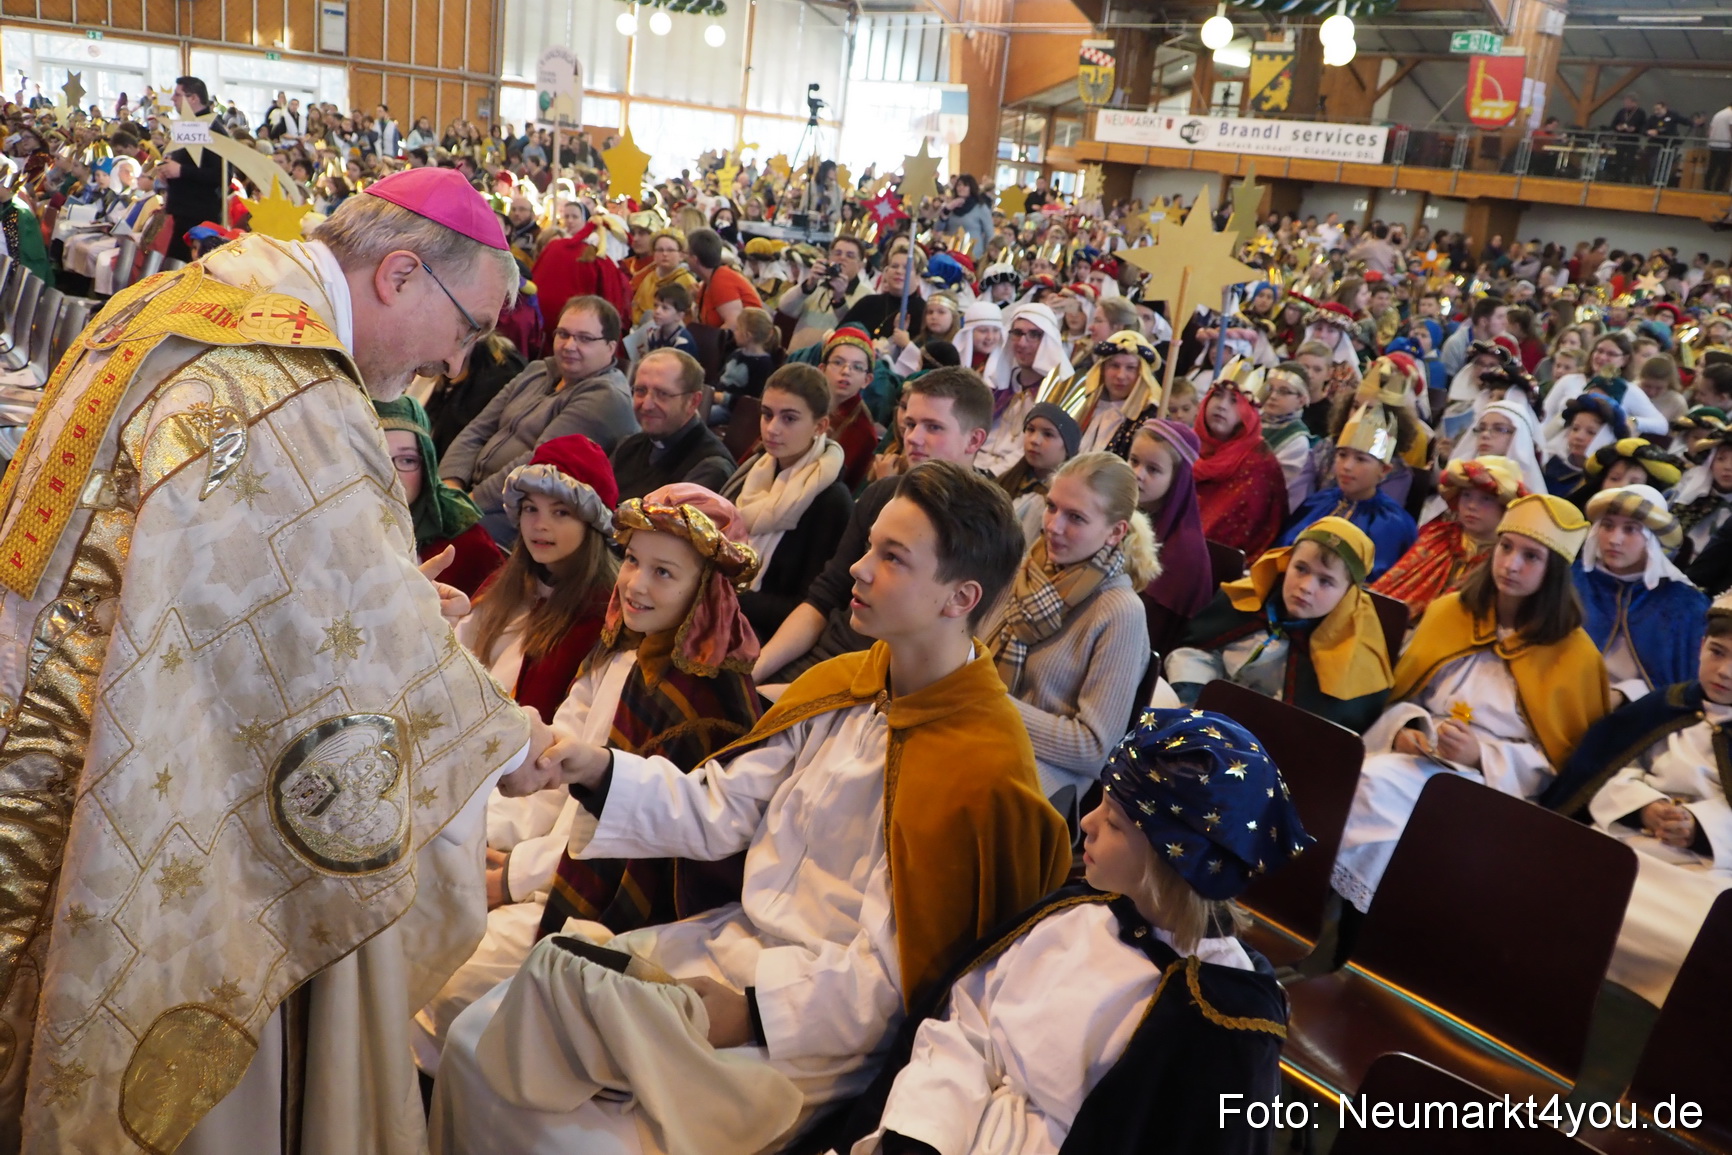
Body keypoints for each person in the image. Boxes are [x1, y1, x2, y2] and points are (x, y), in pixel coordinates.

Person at [0, 166, 562, 1150]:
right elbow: (340, 610)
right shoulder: (288, 383)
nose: (459, 362)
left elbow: (227, 567)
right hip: (114, 767)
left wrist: (358, 585)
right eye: (467, 328)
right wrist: (506, 740)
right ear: (397, 276)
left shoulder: (185, 297)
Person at [429, 462, 1072, 1154]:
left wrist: (756, 1010)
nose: (855, 567)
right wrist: (595, 768)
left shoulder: (981, 764)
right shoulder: (843, 683)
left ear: (959, 596)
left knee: (578, 1139)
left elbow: (892, 979)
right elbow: (720, 809)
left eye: (891, 557)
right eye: (870, 545)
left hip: (813, 1027)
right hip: (722, 944)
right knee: (478, 1040)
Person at [825, 709, 1309, 1155]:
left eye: (1116, 824)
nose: (1088, 824)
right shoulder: (1076, 911)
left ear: (1172, 857)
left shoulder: (1222, 1026)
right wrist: (923, 1138)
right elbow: (969, 1023)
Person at [412, 436, 624, 1074]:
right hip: (471, 772)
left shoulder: (599, 617)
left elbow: (563, 755)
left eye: (560, 513)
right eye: (530, 509)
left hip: (520, 798)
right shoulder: (511, 586)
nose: (540, 525)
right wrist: (439, 618)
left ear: (592, 524)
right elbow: (461, 670)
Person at [1331, 494, 1609, 913]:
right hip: (1418, 761)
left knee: (1387, 800)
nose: (1511, 564)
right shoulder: (1448, 614)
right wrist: (1408, 730)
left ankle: (1357, 925)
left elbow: (1564, 767)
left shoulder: (1575, 656)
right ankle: (1335, 915)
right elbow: (1407, 696)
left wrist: (1482, 754)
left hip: (1499, 789)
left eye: (1531, 556)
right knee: (1359, 785)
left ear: (1555, 571)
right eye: (1506, 547)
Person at [535, 484, 766, 937]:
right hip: (547, 853)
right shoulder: (627, 647)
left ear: (705, 593)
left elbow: (654, 847)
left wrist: (516, 875)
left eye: (664, 572)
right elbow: (567, 736)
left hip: (628, 921)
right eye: (633, 560)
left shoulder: (708, 703)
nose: (635, 584)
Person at [752, 368, 993, 684]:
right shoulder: (883, 493)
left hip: (876, 686)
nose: (913, 438)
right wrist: (755, 674)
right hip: (819, 662)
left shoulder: (984, 526)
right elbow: (823, 599)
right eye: (910, 424)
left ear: (974, 440)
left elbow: (948, 646)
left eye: (933, 427)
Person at [985, 452, 1157, 809]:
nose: (1053, 526)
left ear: (1115, 532)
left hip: (1042, 779)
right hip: (983, 734)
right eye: (1052, 507)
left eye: (1075, 517)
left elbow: (1094, 748)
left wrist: (987, 702)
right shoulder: (1028, 569)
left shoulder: (1120, 612)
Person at [1169, 517, 1395, 734]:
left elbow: (1318, 730)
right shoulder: (1246, 600)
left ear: (1348, 593)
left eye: (1325, 581)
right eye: (1301, 569)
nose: (1306, 587)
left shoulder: (1352, 655)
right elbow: (1195, 650)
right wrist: (1193, 696)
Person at [441, 295, 636, 543]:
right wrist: (450, 486)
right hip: (472, 495)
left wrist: (467, 505)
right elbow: (477, 428)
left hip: (520, 514)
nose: (569, 345)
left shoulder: (605, 397)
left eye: (584, 338)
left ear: (610, 347)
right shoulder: (539, 370)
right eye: (563, 334)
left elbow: (535, 462)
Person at [720, 364, 854, 640]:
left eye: (789, 419)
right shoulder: (755, 468)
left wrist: (724, 594)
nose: (772, 429)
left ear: (820, 426)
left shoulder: (831, 501)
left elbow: (811, 606)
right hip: (726, 611)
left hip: (768, 637)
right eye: (766, 415)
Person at [1575, 485, 1708, 706]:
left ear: (1651, 539)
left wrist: (1626, 694)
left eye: (1630, 529)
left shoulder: (1684, 604)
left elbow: (1682, 687)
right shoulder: (1574, 581)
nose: (1614, 539)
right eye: (1607, 526)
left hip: (1641, 711)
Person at [1279, 388, 1419, 581]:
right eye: (1342, 455)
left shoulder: (1393, 524)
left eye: (1361, 459)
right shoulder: (1316, 503)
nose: (1346, 466)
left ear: (1384, 471)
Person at [376, 396, 506, 596]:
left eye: (407, 460)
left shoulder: (470, 545)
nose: (391, 475)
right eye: (378, 457)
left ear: (427, 466)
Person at [1375, 456, 1524, 620]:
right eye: (1466, 495)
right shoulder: (1437, 537)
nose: (1471, 506)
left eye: (1486, 499)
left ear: (1505, 507)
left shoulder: (1507, 560)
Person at [1128, 418, 1214, 654]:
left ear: (1177, 480)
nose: (1137, 474)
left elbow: (1150, 632)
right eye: (1134, 461)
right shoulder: (1120, 514)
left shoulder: (1184, 554)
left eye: (1153, 469)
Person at [610, 348, 736, 500]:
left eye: (662, 394)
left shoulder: (710, 468)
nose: (647, 405)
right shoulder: (628, 446)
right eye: (640, 390)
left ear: (693, 402)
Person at [1192, 379, 1289, 559]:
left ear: (1248, 412)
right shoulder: (1188, 446)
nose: (1221, 406)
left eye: (1234, 401)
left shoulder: (1260, 464)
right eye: (1217, 396)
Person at [978, 303, 1075, 476]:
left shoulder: (1056, 394)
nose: (1022, 343)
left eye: (1034, 335)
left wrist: (990, 473)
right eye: (1017, 333)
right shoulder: (999, 386)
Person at [159, 76, 230, 261]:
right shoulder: (189, 125)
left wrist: (181, 171)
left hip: (199, 215)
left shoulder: (213, 130)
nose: (173, 99)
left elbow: (222, 175)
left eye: (178, 94)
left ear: (193, 98)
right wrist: (169, 172)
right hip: (182, 212)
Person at [997, 402, 1081, 545]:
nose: (1034, 440)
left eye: (1048, 434)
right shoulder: (1007, 482)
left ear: (1068, 448)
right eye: (1030, 430)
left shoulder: (1069, 501)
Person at [1071, 330, 1162, 456]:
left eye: (1130, 368)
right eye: (1114, 366)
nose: (1120, 376)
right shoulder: (1084, 404)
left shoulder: (1150, 418)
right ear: (1102, 369)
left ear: (1142, 374)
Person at [817, 325, 882, 491]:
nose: (846, 371)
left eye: (857, 367)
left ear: (867, 379)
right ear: (822, 369)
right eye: (838, 362)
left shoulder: (863, 432)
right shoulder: (802, 403)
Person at [1544, 394, 1629, 505]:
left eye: (1591, 432)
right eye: (1575, 428)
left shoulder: (1608, 479)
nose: (1578, 436)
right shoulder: (1549, 465)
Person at [1256, 362, 1318, 512]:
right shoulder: (1252, 420)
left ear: (1301, 400)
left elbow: (1277, 490)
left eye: (1284, 391)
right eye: (1269, 388)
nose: (1273, 396)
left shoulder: (1296, 440)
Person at [686, 226, 764, 328]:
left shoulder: (722, 280)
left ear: (694, 259)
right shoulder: (708, 282)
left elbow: (734, 324)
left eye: (686, 253)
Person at [711, 306, 779, 424]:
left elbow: (752, 401)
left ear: (748, 335)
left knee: (700, 414)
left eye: (737, 329)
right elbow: (720, 377)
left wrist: (724, 399)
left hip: (732, 411)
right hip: (715, 400)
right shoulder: (736, 353)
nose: (734, 332)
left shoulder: (763, 364)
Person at [628, 228, 697, 326]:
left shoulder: (687, 281)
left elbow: (688, 316)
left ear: (681, 255)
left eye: (670, 250)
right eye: (660, 250)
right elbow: (636, 306)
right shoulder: (649, 277)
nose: (664, 254)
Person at [952, 300, 1005, 374]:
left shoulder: (1006, 364)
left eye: (995, 330)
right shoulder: (953, 362)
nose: (990, 337)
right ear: (969, 333)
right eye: (983, 331)